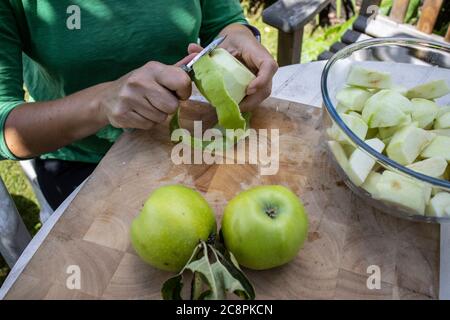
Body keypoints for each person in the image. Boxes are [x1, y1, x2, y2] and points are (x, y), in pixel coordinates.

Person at [0, 1, 278, 210]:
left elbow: (225, 21)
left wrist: (240, 37)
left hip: (181, 143)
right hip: (83, 167)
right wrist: (102, 103)